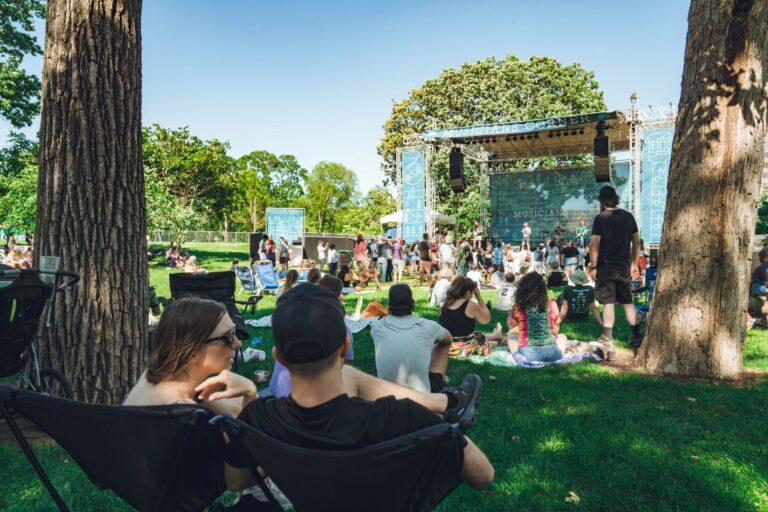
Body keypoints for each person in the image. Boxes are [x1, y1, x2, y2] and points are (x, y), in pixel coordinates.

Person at [226, 285, 494, 494]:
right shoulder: (398, 416)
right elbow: (484, 475)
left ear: (278, 356)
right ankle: (448, 402)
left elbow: (235, 481)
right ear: (345, 346)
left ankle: (445, 400)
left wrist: (250, 399)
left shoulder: (261, 418)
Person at [270, 277, 355, 398]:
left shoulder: (259, 411)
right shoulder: (343, 330)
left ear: (277, 355)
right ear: (345, 345)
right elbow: (348, 366)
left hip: (279, 392)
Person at [588, 185, 642, 354]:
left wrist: (594, 266)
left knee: (608, 303)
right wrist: (634, 263)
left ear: (602, 201)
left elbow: (594, 244)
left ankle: (607, 341)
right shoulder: (628, 217)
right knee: (627, 302)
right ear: (616, 198)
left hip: (605, 268)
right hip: (624, 268)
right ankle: (636, 336)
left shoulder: (601, 218)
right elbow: (636, 242)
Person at [372, 284, 454, 393]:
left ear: (389, 305)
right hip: (422, 400)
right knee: (443, 346)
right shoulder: (428, 326)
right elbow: (449, 339)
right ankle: (439, 380)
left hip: (386, 398)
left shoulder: (376, 327)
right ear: (413, 303)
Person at [506, 273, 568, 362]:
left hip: (527, 355)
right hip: (553, 355)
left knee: (511, 336)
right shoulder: (552, 305)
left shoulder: (519, 307)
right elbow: (555, 331)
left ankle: (517, 357)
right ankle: (561, 355)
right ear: (543, 289)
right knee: (562, 336)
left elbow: (512, 327)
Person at [439, 277, 502, 342]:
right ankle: (496, 337)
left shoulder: (445, 305)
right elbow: (486, 319)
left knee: (476, 334)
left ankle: (495, 335)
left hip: (445, 345)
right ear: (468, 292)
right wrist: (478, 296)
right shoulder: (470, 305)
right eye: (472, 293)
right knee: (491, 344)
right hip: (463, 347)